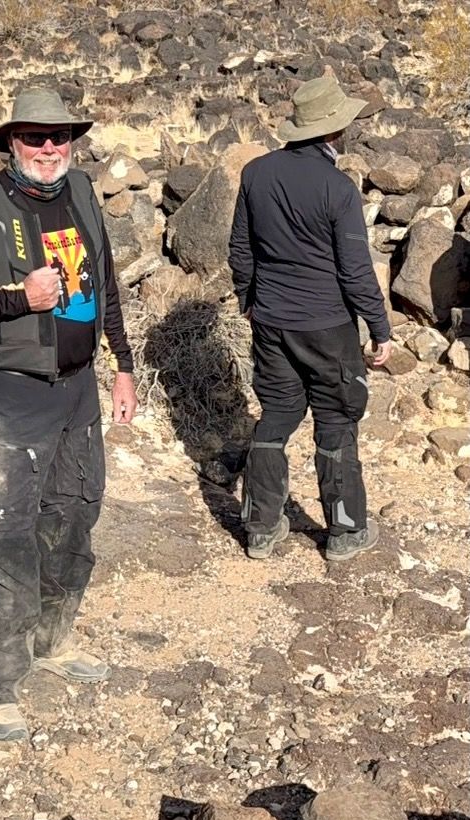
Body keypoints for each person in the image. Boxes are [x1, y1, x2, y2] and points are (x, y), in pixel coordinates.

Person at [0, 87, 137, 741]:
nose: (48, 148)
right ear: (11, 143)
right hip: (15, 395)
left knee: (73, 517)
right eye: (34, 138)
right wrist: (17, 299)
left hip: (79, 390)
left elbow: (104, 284)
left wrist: (122, 364)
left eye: (58, 137)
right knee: (8, 533)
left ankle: (52, 639)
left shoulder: (82, 195)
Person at [228, 75, 392, 563]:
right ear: (334, 132)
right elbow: (356, 270)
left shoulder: (256, 173)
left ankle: (260, 528)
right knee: (337, 421)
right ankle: (344, 531)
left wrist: (250, 300)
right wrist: (380, 329)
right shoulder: (338, 188)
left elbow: (240, 249)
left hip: (272, 321)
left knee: (276, 414)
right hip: (328, 327)